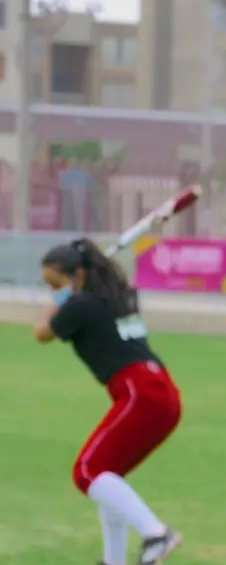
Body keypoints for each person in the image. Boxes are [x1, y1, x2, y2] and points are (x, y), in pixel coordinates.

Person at [33, 238, 182, 565]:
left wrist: (56, 303)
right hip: (162, 391)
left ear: (79, 275)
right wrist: (65, 293)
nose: (52, 292)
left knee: (86, 471)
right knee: (107, 474)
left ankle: (156, 534)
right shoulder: (119, 297)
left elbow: (41, 333)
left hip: (139, 391)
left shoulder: (81, 305)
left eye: (54, 284)